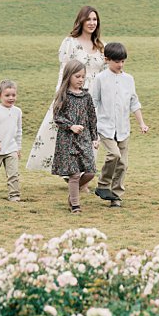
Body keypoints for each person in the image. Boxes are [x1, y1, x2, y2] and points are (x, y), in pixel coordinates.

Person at [26, 5, 105, 173]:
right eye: (88, 19)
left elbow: (104, 73)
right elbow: (64, 70)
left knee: (89, 133)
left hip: (92, 97)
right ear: (81, 21)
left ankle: (85, 174)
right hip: (73, 94)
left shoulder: (100, 45)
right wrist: (60, 94)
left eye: (95, 19)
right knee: (67, 131)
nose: (92, 23)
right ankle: (69, 171)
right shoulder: (70, 43)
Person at [91, 41, 148, 208]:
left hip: (123, 128)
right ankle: (102, 185)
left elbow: (134, 103)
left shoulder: (129, 79)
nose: (120, 65)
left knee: (123, 163)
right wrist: (91, 126)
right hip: (105, 126)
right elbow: (93, 102)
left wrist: (142, 123)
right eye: (117, 61)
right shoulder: (101, 79)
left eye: (123, 61)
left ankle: (115, 196)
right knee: (114, 155)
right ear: (107, 59)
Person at [51, 59, 99, 213]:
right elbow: (57, 116)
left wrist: (94, 137)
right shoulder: (63, 95)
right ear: (69, 76)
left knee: (90, 171)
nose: (81, 79)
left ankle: (73, 195)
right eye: (77, 76)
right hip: (68, 141)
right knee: (74, 174)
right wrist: (71, 126)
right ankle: (76, 206)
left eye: (83, 76)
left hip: (84, 139)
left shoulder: (86, 97)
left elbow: (92, 118)